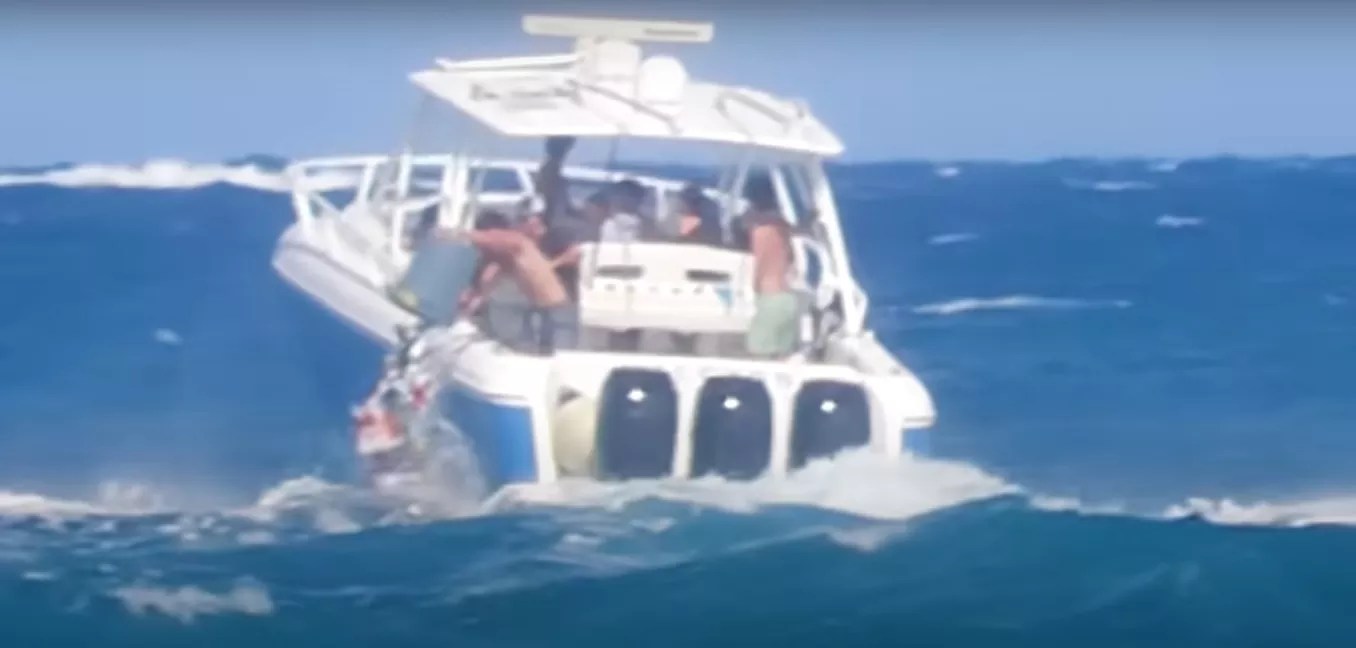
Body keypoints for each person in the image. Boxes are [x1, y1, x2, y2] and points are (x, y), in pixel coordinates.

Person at [447, 210, 577, 354]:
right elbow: (489, 280)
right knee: (532, 352)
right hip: (539, 310)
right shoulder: (507, 256)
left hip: (557, 311)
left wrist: (453, 234)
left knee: (560, 355)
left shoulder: (517, 242)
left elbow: (489, 238)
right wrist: (466, 311)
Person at [738, 173, 801, 358]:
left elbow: (759, 263)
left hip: (769, 299)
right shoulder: (781, 229)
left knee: (757, 356)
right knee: (782, 356)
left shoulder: (758, 231)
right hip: (787, 299)